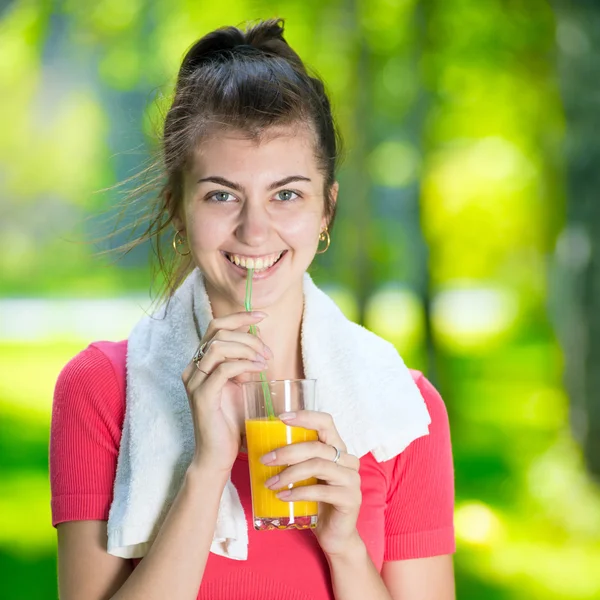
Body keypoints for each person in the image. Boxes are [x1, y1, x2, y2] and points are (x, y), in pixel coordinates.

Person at [50, 18, 456, 600]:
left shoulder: (401, 410)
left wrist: (346, 549)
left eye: (286, 194)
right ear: (179, 208)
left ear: (326, 213)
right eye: (221, 195)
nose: (255, 230)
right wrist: (206, 471)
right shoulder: (100, 390)